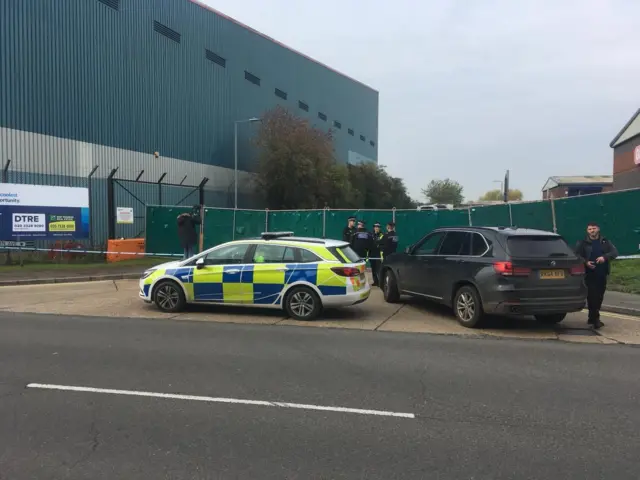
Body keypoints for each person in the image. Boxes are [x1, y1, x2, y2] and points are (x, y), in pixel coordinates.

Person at [574, 222, 618, 329]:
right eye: (589, 229)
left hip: (602, 273)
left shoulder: (605, 241)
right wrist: (586, 262)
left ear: (598, 229)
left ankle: (591, 317)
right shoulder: (582, 243)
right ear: (587, 231)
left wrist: (605, 257)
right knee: (593, 296)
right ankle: (596, 319)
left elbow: (614, 252)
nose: (592, 231)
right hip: (589, 274)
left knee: (599, 296)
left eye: (593, 228)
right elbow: (576, 255)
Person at [369, 222, 384, 286]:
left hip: (379, 255)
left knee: (379, 269)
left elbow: (382, 243)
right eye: (376, 227)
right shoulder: (371, 234)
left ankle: (380, 282)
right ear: (374, 228)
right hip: (372, 254)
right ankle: (375, 281)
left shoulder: (382, 235)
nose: (377, 228)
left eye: (378, 227)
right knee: (373, 268)